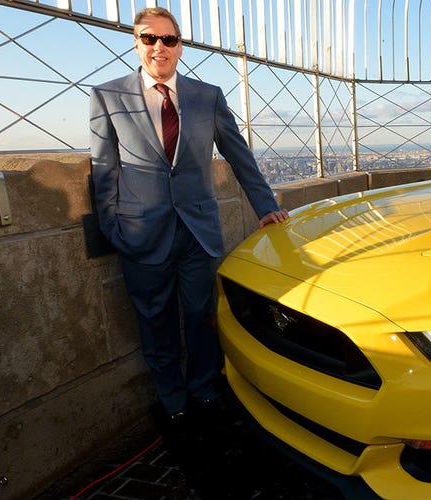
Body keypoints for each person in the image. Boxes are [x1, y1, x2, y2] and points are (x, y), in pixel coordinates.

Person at [89, 7, 289, 427]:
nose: (159, 48)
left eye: (168, 40)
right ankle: (172, 400)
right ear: (136, 43)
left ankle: (204, 389)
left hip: (197, 232)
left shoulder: (207, 96)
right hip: (141, 234)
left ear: (180, 47)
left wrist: (266, 206)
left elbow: (239, 155)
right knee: (154, 321)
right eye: (149, 39)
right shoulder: (108, 96)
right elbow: (104, 170)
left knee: (201, 317)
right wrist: (113, 227)